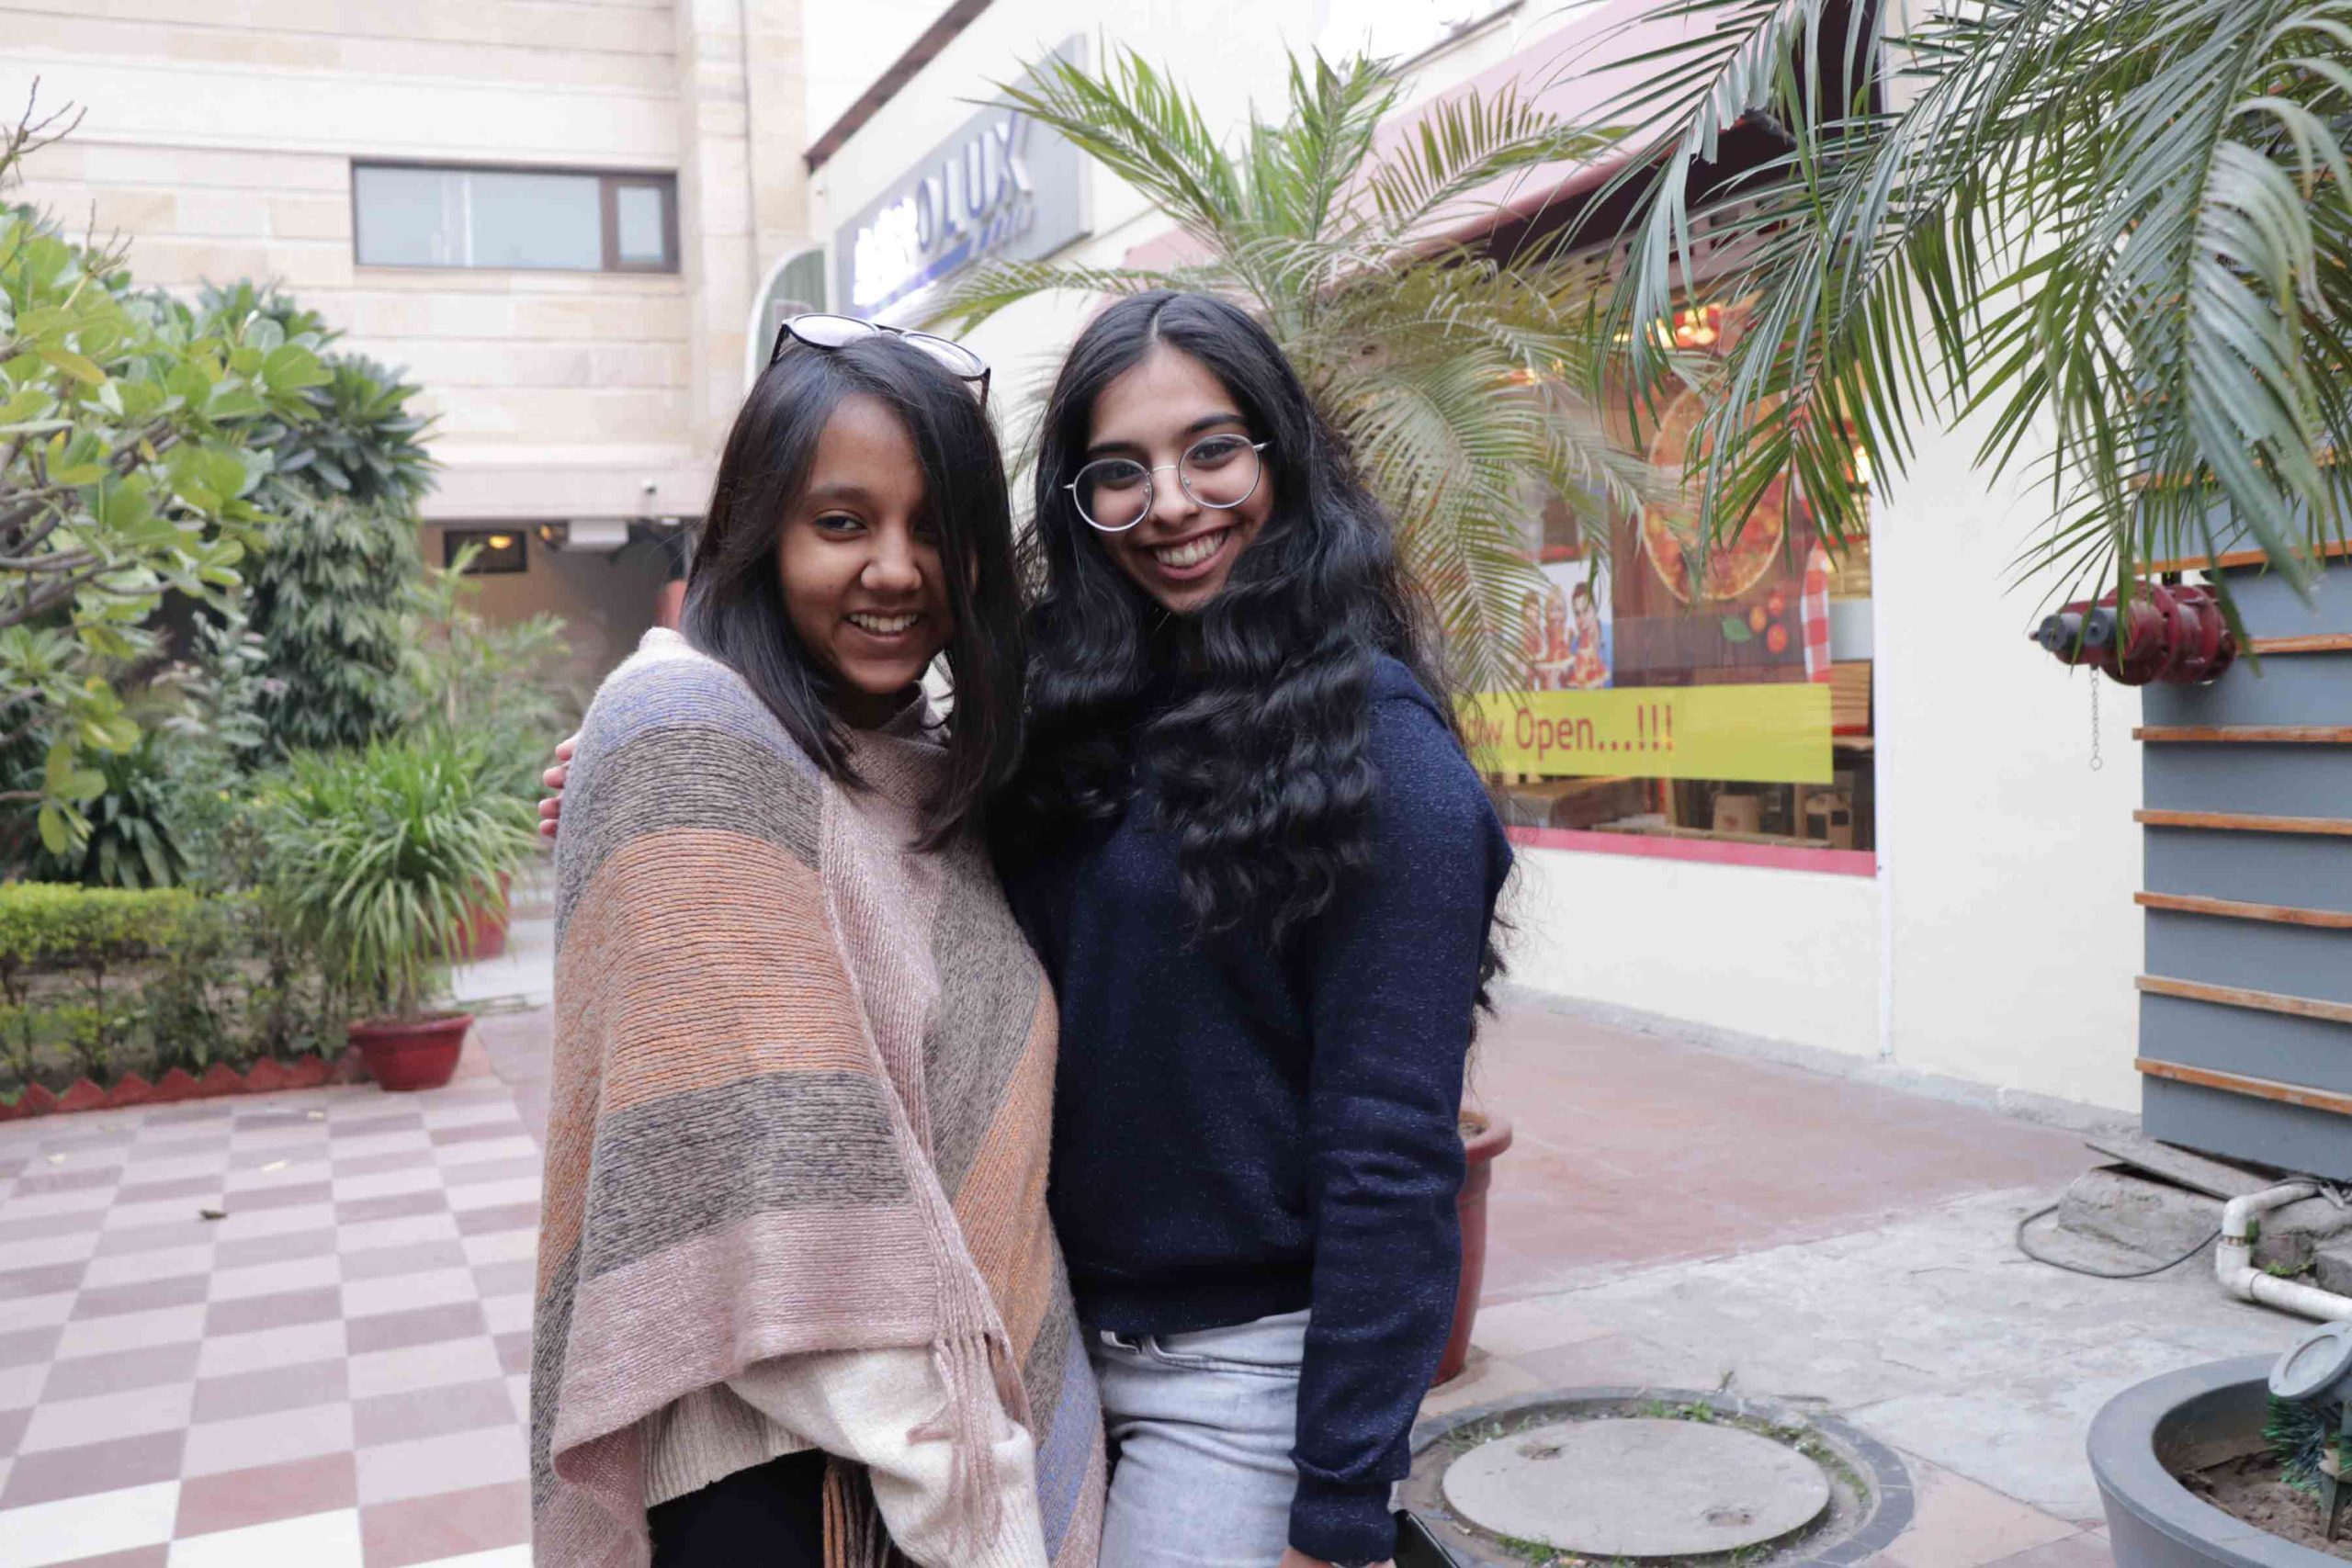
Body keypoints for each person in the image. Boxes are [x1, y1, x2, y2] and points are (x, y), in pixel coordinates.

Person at [530, 321, 1104, 1568]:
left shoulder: (930, 770)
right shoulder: (688, 729)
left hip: (936, 1448)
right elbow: (773, 1185)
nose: (895, 570)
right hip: (780, 1470)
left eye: (933, 527)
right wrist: (978, 1502)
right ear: (757, 532)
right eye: (841, 523)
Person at [997, 290, 1512, 1568]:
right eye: (1120, 472)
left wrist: (1337, 1508)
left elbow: (1389, 1154)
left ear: (1283, 457)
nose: (1171, 503)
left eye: (1212, 450)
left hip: (1242, 1382)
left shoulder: (1383, 754)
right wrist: (669, 768)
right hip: (1039, 1342)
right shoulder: (1078, 714)